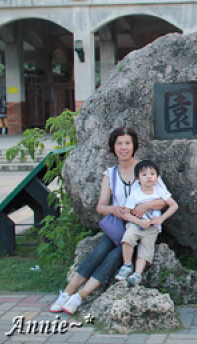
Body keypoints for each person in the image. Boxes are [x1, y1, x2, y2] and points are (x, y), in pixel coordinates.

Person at [49, 127, 167, 315]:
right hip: (119, 227)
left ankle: (81, 296)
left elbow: (165, 200)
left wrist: (145, 206)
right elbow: (100, 207)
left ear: (134, 145)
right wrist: (114, 209)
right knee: (98, 253)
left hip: (142, 230)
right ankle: (66, 293)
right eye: (119, 143)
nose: (123, 147)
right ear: (113, 147)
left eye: (127, 143)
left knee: (114, 257)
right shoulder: (110, 174)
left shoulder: (146, 169)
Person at [114, 160, 178, 286]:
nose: (149, 177)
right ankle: (127, 265)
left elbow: (174, 205)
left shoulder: (160, 192)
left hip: (152, 227)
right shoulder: (135, 194)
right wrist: (138, 221)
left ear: (157, 177)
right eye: (144, 175)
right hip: (136, 224)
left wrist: (161, 219)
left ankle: (137, 274)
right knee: (128, 238)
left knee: (146, 249)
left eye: (152, 174)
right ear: (138, 179)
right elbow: (125, 213)